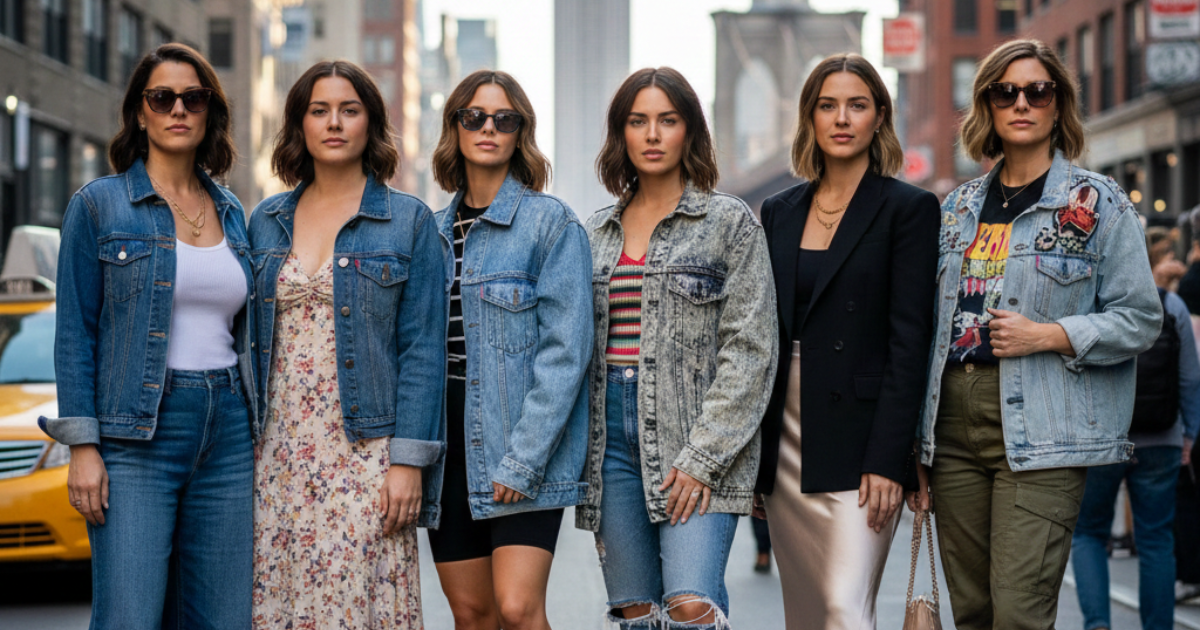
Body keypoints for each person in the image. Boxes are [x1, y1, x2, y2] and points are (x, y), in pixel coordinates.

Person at [912, 39, 1163, 630]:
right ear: (988, 107)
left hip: (1040, 428)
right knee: (972, 611)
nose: (1021, 102)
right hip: (950, 431)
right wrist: (914, 443)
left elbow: (1140, 318)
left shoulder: (1098, 204)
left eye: (1037, 90)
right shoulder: (956, 209)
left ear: (1058, 105)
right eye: (1006, 91)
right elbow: (926, 329)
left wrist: (1048, 334)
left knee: (1020, 614)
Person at [38, 43, 255, 629]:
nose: (178, 109)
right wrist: (84, 446)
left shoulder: (232, 211)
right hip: (135, 435)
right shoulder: (99, 207)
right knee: (129, 616)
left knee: (224, 619)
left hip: (228, 431)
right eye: (162, 98)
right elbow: (75, 335)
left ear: (210, 111)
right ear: (140, 112)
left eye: (194, 97)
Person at [578, 66, 778, 629]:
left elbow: (750, 348)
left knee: (691, 608)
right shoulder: (594, 234)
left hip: (694, 432)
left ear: (690, 131)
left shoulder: (728, 223)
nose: (652, 134)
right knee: (636, 613)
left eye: (668, 120)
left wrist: (704, 456)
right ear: (621, 135)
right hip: (609, 448)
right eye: (638, 121)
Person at [248, 60, 445, 629]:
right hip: (277, 456)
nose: (334, 123)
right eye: (319, 110)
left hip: (365, 456)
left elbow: (422, 352)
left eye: (349, 110)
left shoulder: (407, 222)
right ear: (300, 126)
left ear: (370, 124)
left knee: (357, 606)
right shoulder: (266, 221)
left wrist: (408, 462)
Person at [754, 53, 940, 630]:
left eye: (856, 105)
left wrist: (890, 460)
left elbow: (912, 343)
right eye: (827, 106)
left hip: (860, 441)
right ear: (809, 118)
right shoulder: (779, 212)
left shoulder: (908, 209)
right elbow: (765, 336)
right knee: (807, 614)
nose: (841, 118)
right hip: (785, 434)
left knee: (843, 608)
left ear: (879, 117)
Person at [426, 69, 592, 630]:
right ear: (456, 126)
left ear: (522, 131)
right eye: (475, 117)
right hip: (446, 443)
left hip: (517, 433)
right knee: (473, 614)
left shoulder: (551, 225)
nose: (489, 128)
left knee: (518, 609)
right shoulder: (430, 231)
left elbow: (565, 353)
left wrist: (525, 456)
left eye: (505, 118)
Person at [1071, 234, 1200, 630]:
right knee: (1156, 540)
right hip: (1161, 438)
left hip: (1100, 440)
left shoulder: (1087, 304)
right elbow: (1190, 377)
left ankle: (1097, 625)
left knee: (1089, 534)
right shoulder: (1170, 303)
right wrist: (1189, 433)